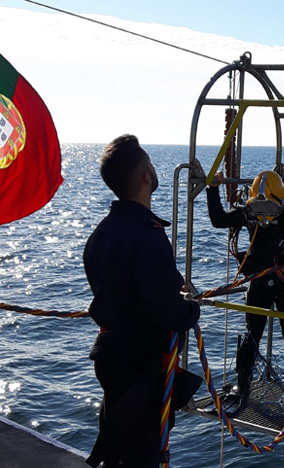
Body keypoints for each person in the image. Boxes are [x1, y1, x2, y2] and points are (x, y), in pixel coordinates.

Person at [83, 135, 201, 468]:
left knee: (116, 451)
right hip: (141, 366)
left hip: (109, 356)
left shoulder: (101, 233)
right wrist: (191, 309)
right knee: (143, 456)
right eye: (149, 162)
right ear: (147, 175)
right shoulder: (148, 236)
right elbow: (166, 308)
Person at [206, 170, 284, 412]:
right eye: (259, 211)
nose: (264, 217)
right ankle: (243, 385)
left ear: (282, 202)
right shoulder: (250, 214)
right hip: (260, 279)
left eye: (269, 210)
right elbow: (219, 220)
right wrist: (213, 189)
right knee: (251, 334)